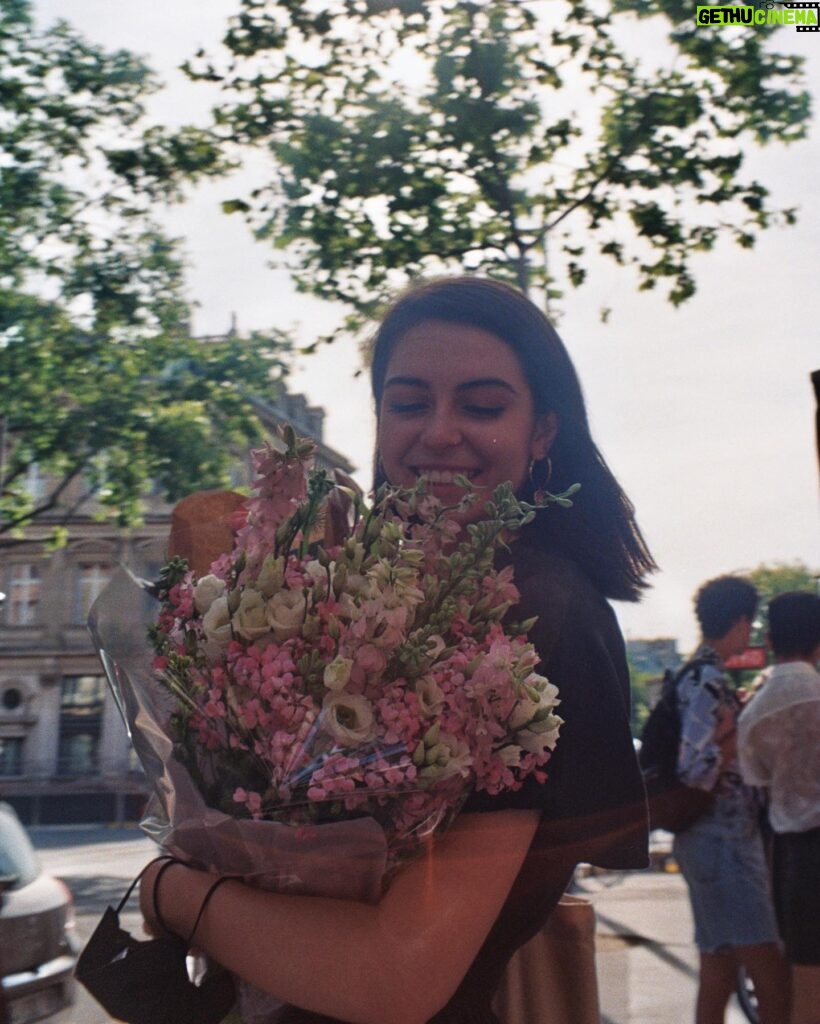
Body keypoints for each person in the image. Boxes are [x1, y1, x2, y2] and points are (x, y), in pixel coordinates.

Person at [138, 275, 655, 1024]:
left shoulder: (541, 616)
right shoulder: (365, 588)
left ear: (543, 430)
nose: (440, 431)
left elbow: (394, 978)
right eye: (409, 403)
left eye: (481, 405)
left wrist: (173, 890)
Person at [673, 575, 789, 1024]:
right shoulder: (706, 682)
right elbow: (695, 769)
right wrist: (731, 740)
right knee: (769, 968)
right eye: (750, 623)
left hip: (702, 839)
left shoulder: (689, 675)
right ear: (740, 621)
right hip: (723, 839)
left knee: (718, 967)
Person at [739, 591, 820, 1024]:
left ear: (769, 638)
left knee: (807, 982)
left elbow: (757, 781)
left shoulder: (755, 710)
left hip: (796, 859)